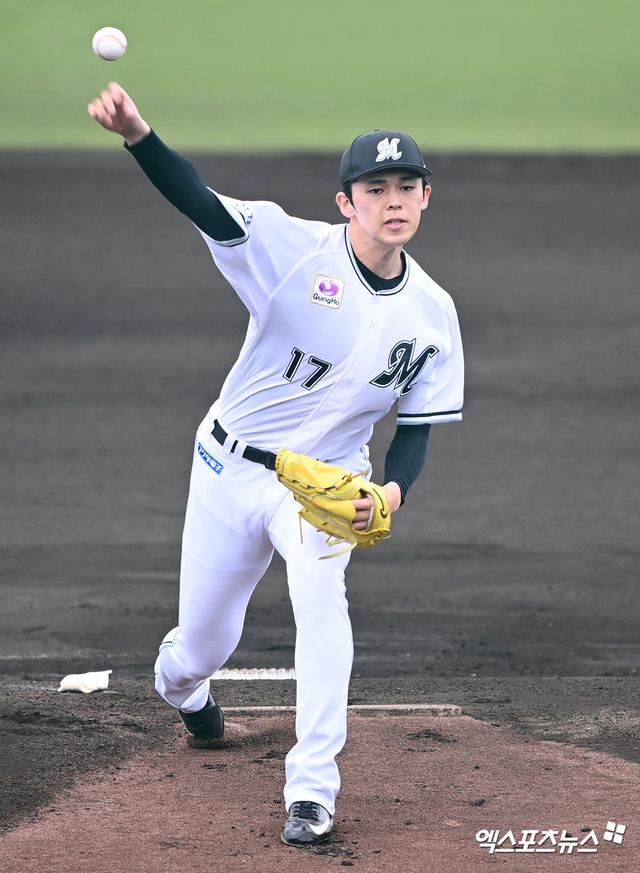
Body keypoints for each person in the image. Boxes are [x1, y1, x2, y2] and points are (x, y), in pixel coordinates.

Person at [87, 82, 464, 848]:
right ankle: (184, 689)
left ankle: (312, 788)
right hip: (228, 469)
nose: (393, 199)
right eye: (375, 188)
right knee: (202, 647)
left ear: (426, 197)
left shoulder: (434, 314)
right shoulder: (294, 250)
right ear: (346, 201)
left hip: (323, 488)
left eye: (406, 185)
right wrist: (138, 135)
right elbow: (202, 203)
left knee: (322, 600)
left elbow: (417, 428)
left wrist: (389, 492)